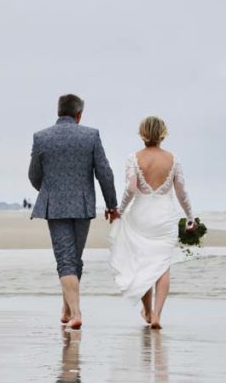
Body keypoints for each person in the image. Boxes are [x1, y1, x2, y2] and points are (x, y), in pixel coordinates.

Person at [28, 93, 119, 329]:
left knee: (67, 260)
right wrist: (112, 205)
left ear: (58, 111)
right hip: (82, 204)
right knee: (73, 259)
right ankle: (75, 312)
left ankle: (68, 310)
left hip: (55, 205)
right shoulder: (90, 136)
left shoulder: (41, 137)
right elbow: (104, 173)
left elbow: (34, 176)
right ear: (79, 115)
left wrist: (50, 190)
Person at [107, 116, 195, 330]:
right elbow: (181, 191)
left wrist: (120, 210)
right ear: (163, 133)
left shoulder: (133, 158)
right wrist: (190, 216)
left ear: (142, 133)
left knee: (144, 263)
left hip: (140, 216)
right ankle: (156, 315)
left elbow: (130, 188)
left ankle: (146, 312)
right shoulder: (173, 159)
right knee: (163, 266)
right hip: (165, 218)